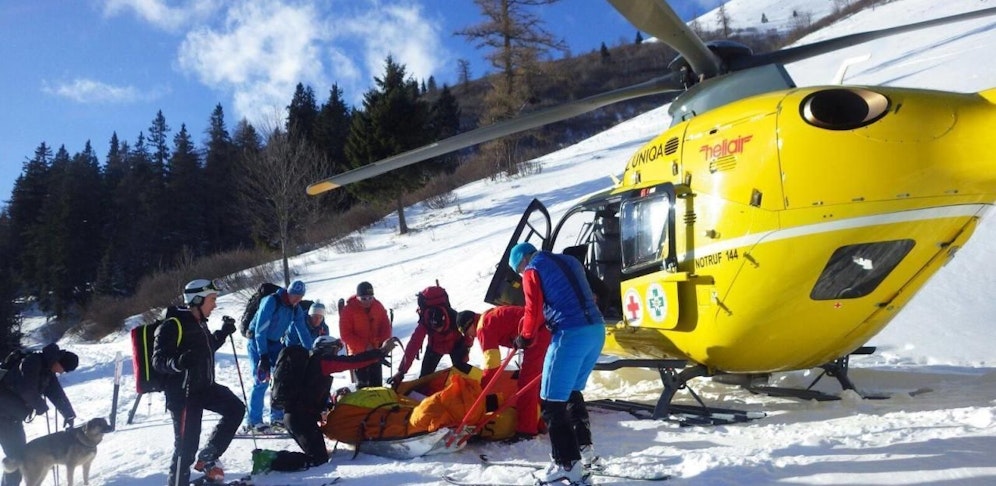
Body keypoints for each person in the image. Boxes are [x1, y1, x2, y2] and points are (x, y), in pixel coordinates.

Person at [509, 242, 606, 486]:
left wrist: (526, 338)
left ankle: (567, 465)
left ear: (522, 262)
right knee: (571, 392)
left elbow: (533, 310)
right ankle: (585, 451)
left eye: (519, 271)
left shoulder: (532, 270)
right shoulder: (570, 261)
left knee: (551, 401)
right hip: (596, 330)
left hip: (570, 334)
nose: (522, 275)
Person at [152, 278, 245, 486]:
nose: (215, 304)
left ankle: (209, 455)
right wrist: (179, 362)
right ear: (197, 300)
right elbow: (158, 361)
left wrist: (223, 332)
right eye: (212, 299)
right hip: (183, 395)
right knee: (185, 449)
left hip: (204, 387)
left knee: (235, 409)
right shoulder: (172, 325)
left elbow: (207, 347)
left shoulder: (199, 324)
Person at [282, 336, 395, 466]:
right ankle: (271, 459)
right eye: (335, 350)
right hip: (300, 419)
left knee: (319, 457)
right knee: (317, 460)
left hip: (298, 418)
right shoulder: (322, 362)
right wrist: (380, 352)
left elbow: (309, 396)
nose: (336, 354)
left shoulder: (312, 365)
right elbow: (352, 362)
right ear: (327, 349)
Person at [456, 306, 551, 440]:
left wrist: (480, 389)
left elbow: (492, 363)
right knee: (535, 380)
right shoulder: (489, 315)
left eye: (467, 332)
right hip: (542, 328)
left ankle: (527, 431)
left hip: (537, 334)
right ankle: (540, 422)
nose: (471, 336)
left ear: (470, 324)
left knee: (526, 383)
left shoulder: (483, 327)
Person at [0, 343, 78, 486]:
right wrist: (41, 406)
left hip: (11, 418)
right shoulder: (32, 362)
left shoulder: (47, 369)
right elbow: (26, 389)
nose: (61, 372)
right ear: (58, 362)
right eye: (63, 369)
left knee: (18, 457)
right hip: (3, 416)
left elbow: (57, 394)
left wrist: (69, 414)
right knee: (16, 459)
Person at [246, 279, 313, 433]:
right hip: (257, 342)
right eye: (294, 295)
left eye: (299, 297)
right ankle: (253, 421)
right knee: (261, 379)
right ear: (288, 292)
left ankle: (276, 417)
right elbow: (260, 331)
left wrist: (310, 351)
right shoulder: (271, 302)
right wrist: (263, 356)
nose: (296, 299)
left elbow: (302, 330)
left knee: (281, 379)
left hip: (275, 343)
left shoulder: (295, 309)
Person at [392, 294, 474, 384]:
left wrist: (466, 350)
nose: (438, 331)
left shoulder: (455, 318)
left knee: (462, 375)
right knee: (424, 379)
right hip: (435, 347)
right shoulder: (425, 322)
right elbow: (413, 345)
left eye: (440, 327)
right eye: (435, 329)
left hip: (456, 345)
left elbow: (468, 335)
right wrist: (401, 371)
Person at [339, 282, 392, 388]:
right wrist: (365, 346)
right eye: (364, 298)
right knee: (363, 389)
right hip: (358, 355)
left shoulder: (378, 306)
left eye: (370, 297)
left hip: (376, 352)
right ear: (358, 297)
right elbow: (345, 335)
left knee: (377, 386)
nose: (367, 301)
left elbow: (385, 326)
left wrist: (384, 342)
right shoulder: (348, 310)